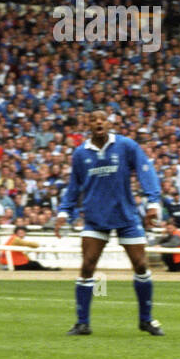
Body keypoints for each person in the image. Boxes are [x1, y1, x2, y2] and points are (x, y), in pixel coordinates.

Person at [55, 110, 165, 336]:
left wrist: (153, 202)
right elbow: (74, 187)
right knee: (87, 266)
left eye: (102, 119)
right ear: (87, 125)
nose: (98, 123)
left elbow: (146, 171)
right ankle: (82, 322)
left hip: (126, 215)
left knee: (141, 265)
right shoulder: (80, 154)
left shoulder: (126, 146)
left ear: (109, 123)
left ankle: (146, 320)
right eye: (93, 119)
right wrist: (64, 212)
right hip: (95, 218)